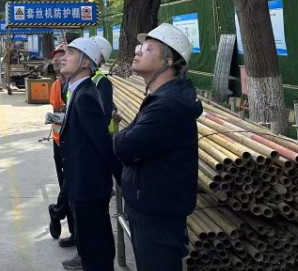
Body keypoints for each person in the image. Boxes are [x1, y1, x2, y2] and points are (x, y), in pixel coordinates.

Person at [113, 23, 202, 271]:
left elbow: (124, 147)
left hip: (157, 213)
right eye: (140, 46)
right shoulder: (160, 99)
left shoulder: (168, 105)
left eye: (148, 48)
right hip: (151, 207)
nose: (138, 51)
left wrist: (122, 140)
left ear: (168, 61)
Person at [58, 37, 119, 271]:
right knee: (92, 244)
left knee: (95, 250)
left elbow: (102, 143)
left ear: (85, 63)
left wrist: (122, 178)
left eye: (70, 53)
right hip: (82, 184)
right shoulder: (77, 91)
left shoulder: (85, 96)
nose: (63, 57)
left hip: (89, 187)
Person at [44, 43, 76, 248]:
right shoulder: (57, 85)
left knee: (71, 187)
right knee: (66, 185)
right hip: (59, 141)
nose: (57, 59)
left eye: (62, 55)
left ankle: (57, 212)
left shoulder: (76, 84)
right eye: (55, 56)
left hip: (74, 144)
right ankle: (73, 231)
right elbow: (59, 110)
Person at [89, 35, 116, 131]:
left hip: (99, 134)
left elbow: (104, 115)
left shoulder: (102, 82)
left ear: (99, 58)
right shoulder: (83, 77)